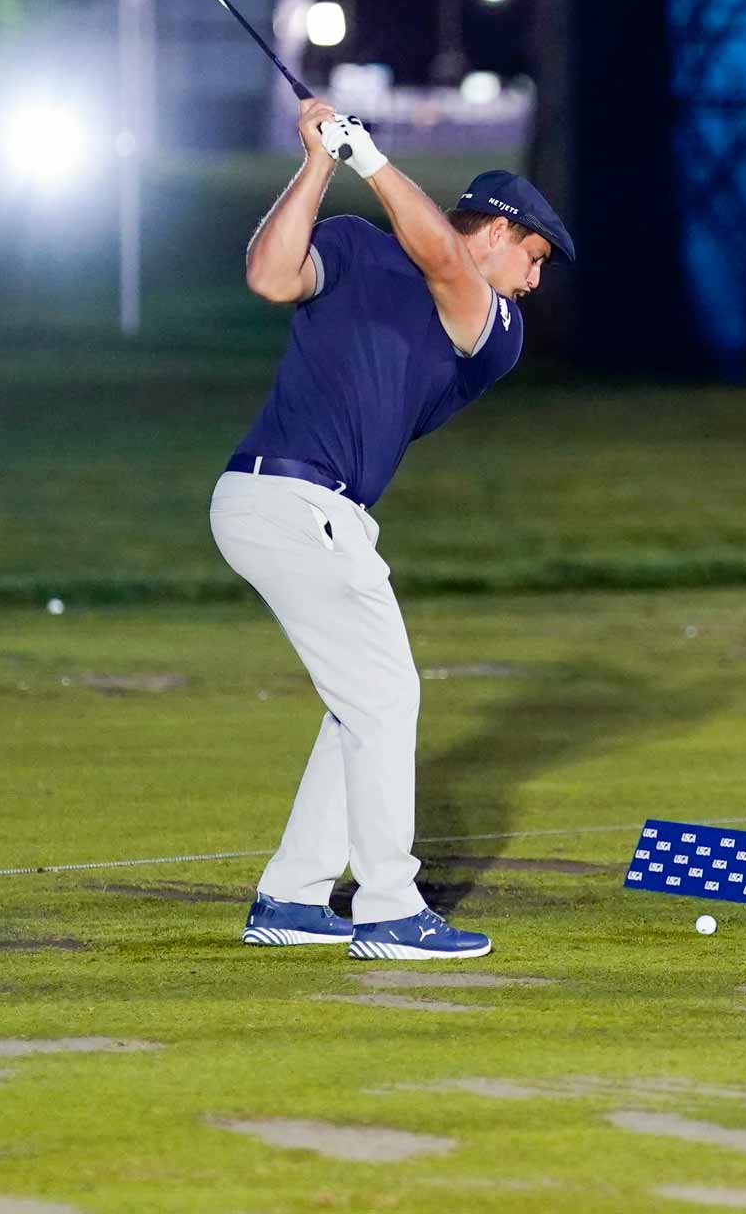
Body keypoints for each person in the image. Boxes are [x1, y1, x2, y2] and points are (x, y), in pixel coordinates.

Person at [219, 97, 572, 961]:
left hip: (311, 511)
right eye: (531, 258)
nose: (533, 282)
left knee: (361, 704)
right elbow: (269, 275)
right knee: (386, 696)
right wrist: (321, 164)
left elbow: (444, 262)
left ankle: (293, 895)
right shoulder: (352, 245)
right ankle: (387, 905)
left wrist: (366, 153)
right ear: (496, 232)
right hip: (288, 502)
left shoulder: (491, 330)